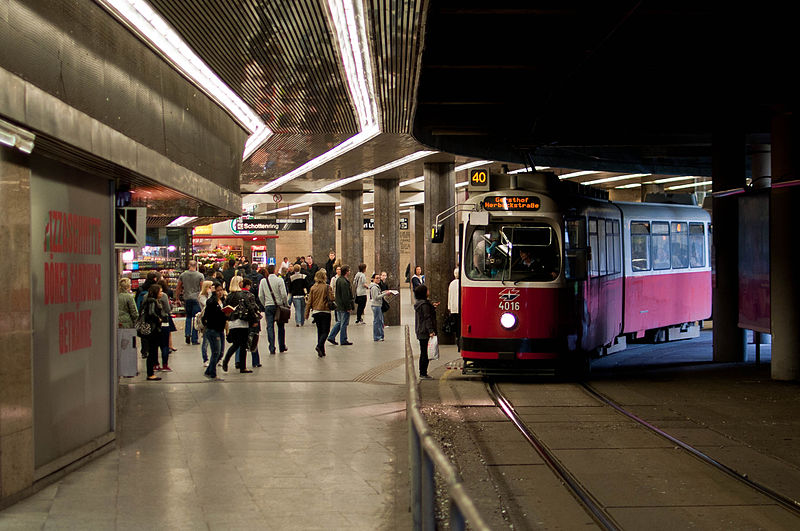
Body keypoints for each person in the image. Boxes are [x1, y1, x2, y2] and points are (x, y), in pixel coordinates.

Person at [222, 276, 260, 373]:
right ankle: (242, 366)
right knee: (243, 345)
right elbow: (250, 308)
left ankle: (227, 360)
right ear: (239, 283)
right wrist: (255, 320)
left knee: (236, 344)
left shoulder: (229, 296)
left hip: (232, 322)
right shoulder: (243, 295)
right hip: (242, 322)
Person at [259, 264, 289, 355]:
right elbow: (284, 294)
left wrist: (265, 304)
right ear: (275, 271)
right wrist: (285, 303)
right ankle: (282, 346)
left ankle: (272, 347)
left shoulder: (263, 281)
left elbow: (260, 295)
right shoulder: (279, 280)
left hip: (268, 306)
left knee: (270, 327)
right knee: (281, 327)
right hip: (279, 306)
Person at [305, 269, 335, 357]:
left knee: (320, 331)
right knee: (326, 331)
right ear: (324, 277)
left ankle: (322, 351)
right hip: (325, 311)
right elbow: (332, 298)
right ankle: (319, 346)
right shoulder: (327, 287)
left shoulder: (313, 288)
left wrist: (306, 313)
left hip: (316, 311)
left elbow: (309, 301)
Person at [140, 284, 167, 381]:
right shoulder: (152, 301)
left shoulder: (150, 300)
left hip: (152, 329)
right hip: (153, 330)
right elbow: (151, 313)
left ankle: (151, 372)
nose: (161, 293)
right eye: (160, 291)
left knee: (152, 351)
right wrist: (158, 319)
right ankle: (150, 373)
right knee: (152, 351)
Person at [202, 282, 227, 380]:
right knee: (216, 352)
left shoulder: (223, 301)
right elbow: (210, 315)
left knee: (220, 353)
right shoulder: (211, 302)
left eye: (221, 290)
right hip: (213, 329)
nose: (220, 292)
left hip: (220, 329)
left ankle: (209, 371)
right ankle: (212, 373)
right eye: (217, 290)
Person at [414, 284, 439, 380]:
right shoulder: (424, 305)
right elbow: (427, 318)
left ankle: (423, 372)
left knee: (423, 351)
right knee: (425, 352)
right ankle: (423, 373)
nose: (429, 291)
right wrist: (431, 331)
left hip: (421, 330)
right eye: (427, 290)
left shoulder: (420, 303)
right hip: (425, 331)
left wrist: (432, 307)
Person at [177, 260, 204, 345]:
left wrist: (177, 298)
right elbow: (202, 288)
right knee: (196, 318)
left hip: (187, 298)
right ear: (196, 266)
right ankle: (194, 338)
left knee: (188, 317)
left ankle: (187, 334)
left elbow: (179, 287)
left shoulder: (183, 275)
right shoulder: (200, 275)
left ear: (189, 265)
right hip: (196, 298)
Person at [327, 265, 354, 346]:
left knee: (339, 322)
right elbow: (345, 295)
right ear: (346, 272)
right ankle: (343, 339)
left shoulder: (339, 280)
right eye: (349, 270)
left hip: (339, 304)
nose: (349, 272)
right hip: (343, 305)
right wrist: (348, 307)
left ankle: (331, 336)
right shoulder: (344, 282)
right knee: (343, 323)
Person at [156, 279, 173, 371]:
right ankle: (165, 365)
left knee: (154, 346)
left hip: (153, 325)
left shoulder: (147, 296)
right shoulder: (164, 296)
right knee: (164, 345)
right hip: (164, 322)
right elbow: (167, 309)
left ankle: (155, 364)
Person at [197, 280, 214, 366]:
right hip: (206, 320)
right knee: (206, 341)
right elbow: (207, 304)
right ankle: (205, 359)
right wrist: (210, 294)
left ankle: (216, 358)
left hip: (214, 319)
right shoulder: (202, 296)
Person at [369, 273, 387, 341]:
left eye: (379, 278)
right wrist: (385, 294)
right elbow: (376, 297)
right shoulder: (374, 287)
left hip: (378, 305)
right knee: (377, 321)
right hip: (376, 305)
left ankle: (380, 335)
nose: (378, 279)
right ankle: (377, 336)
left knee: (380, 321)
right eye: (377, 278)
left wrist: (383, 292)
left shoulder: (376, 286)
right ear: (373, 279)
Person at [447, 267, 461, 348]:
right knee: (460, 325)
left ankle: (457, 338)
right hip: (461, 308)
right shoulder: (461, 283)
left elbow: (450, 296)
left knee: (456, 325)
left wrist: (449, 307)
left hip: (454, 308)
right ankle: (459, 340)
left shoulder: (452, 284)